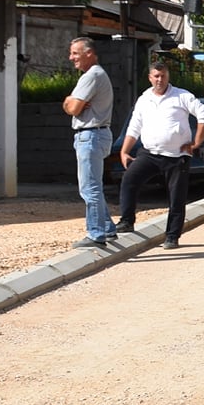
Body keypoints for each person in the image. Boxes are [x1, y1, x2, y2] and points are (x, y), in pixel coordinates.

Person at [116, 56, 204, 249]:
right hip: (149, 153)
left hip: (176, 156)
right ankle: (126, 220)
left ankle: (172, 236)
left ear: (168, 77)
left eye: (163, 76)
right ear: (150, 78)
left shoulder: (182, 96)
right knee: (129, 180)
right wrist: (125, 151)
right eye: (156, 76)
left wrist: (196, 142)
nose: (160, 80)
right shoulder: (144, 99)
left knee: (176, 197)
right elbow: (134, 127)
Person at [63, 38, 116, 248]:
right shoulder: (97, 74)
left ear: (89, 53)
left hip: (90, 135)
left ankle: (96, 234)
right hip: (97, 134)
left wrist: (68, 102)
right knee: (94, 185)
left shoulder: (92, 75)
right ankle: (108, 228)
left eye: (75, 53)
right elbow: (76, 105)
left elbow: (74, 108)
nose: (71, 58)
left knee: (89, 188)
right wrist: (72, 102)